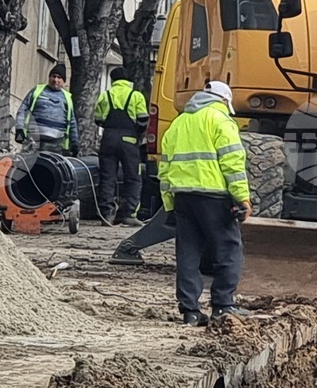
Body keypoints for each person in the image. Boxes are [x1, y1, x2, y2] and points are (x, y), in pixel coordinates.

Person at [158, 80, 252, 326]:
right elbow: (232, 163)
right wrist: (241, 197)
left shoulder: (179, 123)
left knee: (188, 253)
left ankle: (190, 311)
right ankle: (222, 305)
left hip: (183, 197)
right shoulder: (221, 120)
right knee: (228, 248)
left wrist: (169, 204)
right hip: (214, 197)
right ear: (225, 101)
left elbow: (164, 168)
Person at [94, 66, 149, 227]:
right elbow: (143, 119)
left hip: (109, 138)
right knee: (133, 177)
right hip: (129, 140)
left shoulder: (105, 95)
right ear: (127, 80)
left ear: (113, 80)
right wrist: (135, 133)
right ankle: (129, 214)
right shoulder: (136, 96)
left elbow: (98, 119)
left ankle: (107, 214)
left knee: (107, 177)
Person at [15, 63, 79, 154]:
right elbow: (23, 109)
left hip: (56, 145)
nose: (55, 80)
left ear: (63, 81)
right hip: (33, 140)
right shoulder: (37, 91)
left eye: (59, 77)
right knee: (29, 162)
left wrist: (75, 142)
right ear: (49, 77)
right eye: (53, 76)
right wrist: (19, 129)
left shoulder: (67, 98)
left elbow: (72, 122)